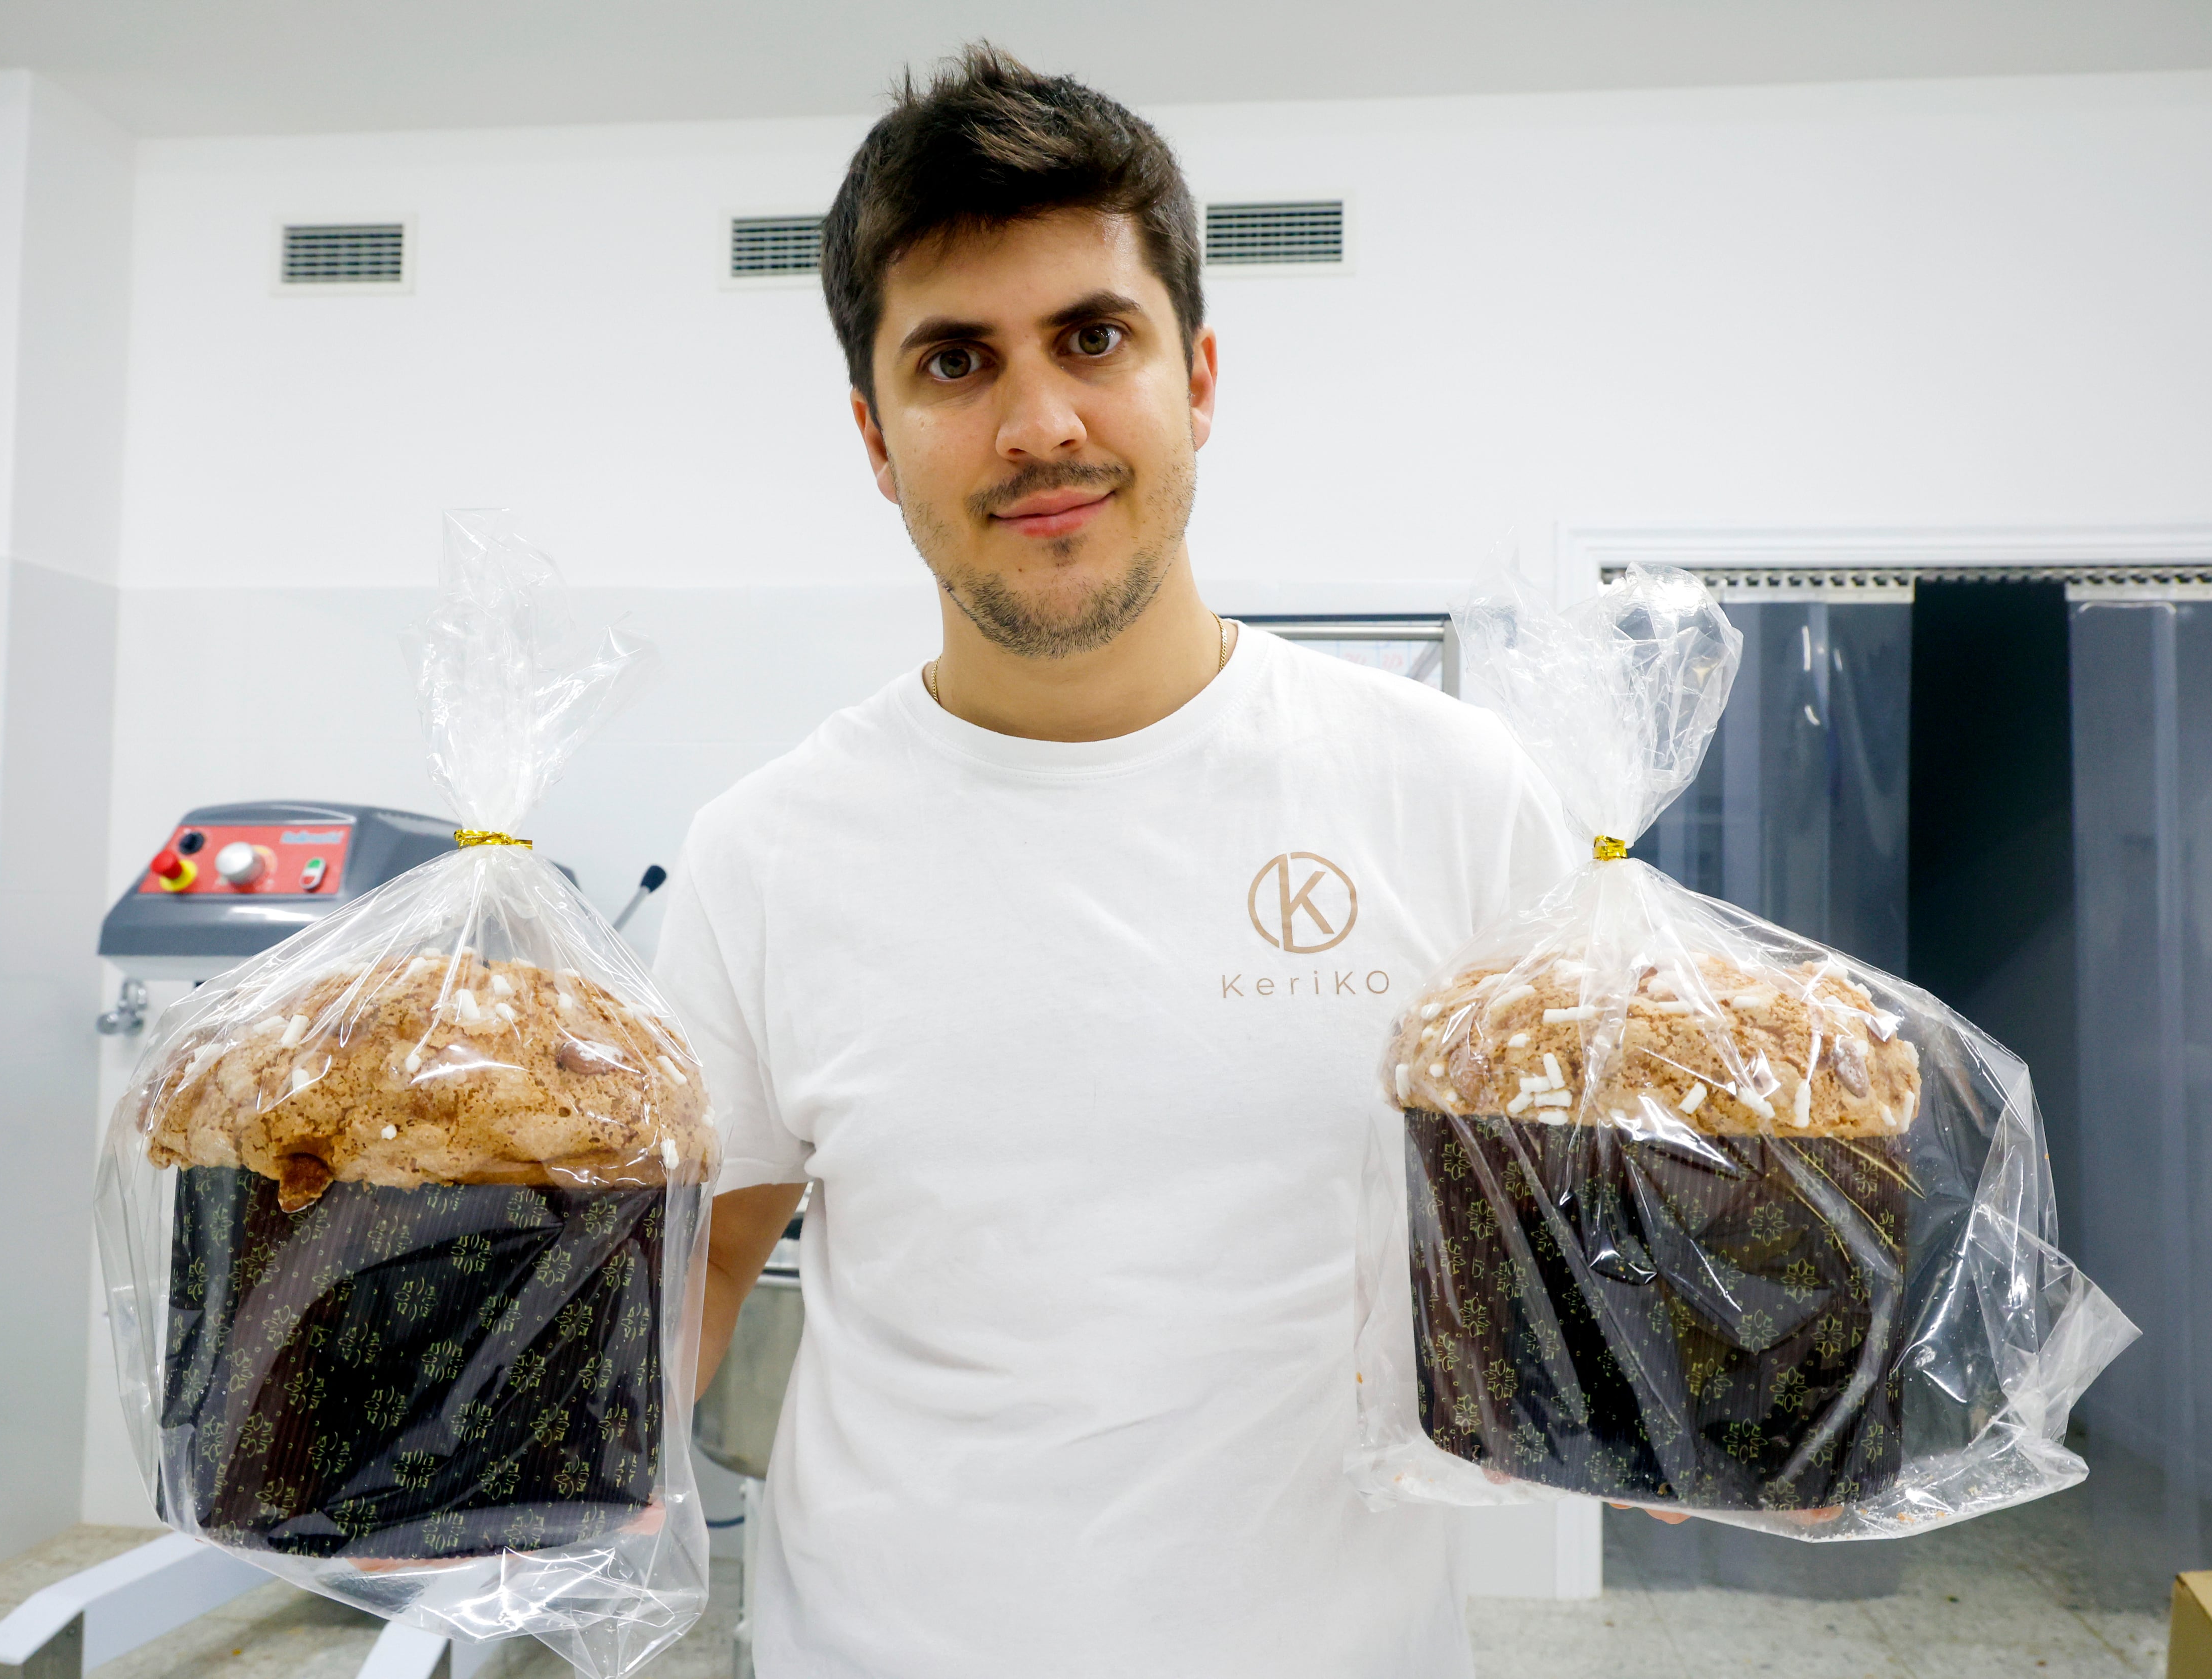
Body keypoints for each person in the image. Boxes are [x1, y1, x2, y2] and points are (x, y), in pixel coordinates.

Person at [653, 44, 1577, 1678]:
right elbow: (700, 1261)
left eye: (1094, 338)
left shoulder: (1451, 792)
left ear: (1199, 378)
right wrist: (458, 1463)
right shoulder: (763, 854)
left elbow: (1575, 1231)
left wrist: (1699, 1394)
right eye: (955, 362)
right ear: (875, 436)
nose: (1039, 423)